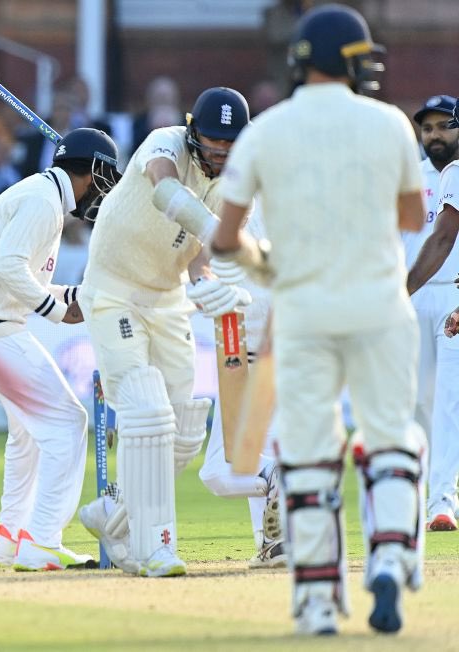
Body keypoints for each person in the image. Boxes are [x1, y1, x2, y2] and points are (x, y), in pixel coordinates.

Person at [211, 4, 426, 635]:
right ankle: (387, 555)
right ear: (347, 62)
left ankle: (313, 596)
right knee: (390, 437)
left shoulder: (266, 131)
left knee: (307, 454)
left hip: (302, 310)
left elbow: (227, 242)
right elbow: (413, 218)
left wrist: (269, 259)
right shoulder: (389, 123)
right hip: (380, 305)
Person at [76, 86, 251, 579]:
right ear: (194, 133)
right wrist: (218, 230)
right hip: (114, 290)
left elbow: (203, 252)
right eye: (212, 146)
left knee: (183, 432)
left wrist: (208, 284)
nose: (219, 156)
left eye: (229, 148)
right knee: (147, 411)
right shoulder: (164, 142)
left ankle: (113, 516)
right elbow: (163, 187)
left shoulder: (241, 180)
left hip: (168, 297)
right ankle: (157, 548)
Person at [0, 127, 120, 572]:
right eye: (104, 178)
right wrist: (56, 311)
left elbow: (22, 275)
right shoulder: (42, 202)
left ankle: (10, 536)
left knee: (28, 428)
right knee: (67, 421)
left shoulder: (42, 195)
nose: (102, 191)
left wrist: (73, 295)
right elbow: (7, 266)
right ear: (92, 170)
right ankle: (41, 541)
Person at [195, 205, 284, 569]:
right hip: (284, 345)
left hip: (245, 344)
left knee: (220, 469)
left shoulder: (239, 193)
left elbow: (203, 253)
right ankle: (276, 545)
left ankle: (288, 475)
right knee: (258, 457)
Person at [402, 95, 459, 532]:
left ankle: (442, 500)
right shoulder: (409, 178)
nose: (434, 135)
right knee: (418, 402)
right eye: (427, 129)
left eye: (444, 126)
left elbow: (442, 241)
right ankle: (421, 494)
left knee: (450, 403)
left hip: (453, 299)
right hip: (414, 298)